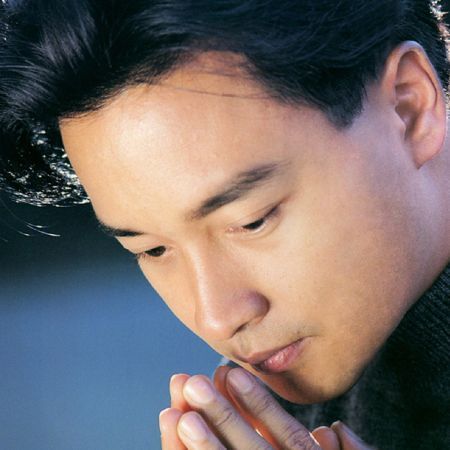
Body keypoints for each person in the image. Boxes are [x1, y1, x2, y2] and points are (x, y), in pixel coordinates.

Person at [1, 1, 449, 448]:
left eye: (251, 222)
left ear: (409, 107)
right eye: (152, 249)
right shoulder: (256, 417)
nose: (216, 318)